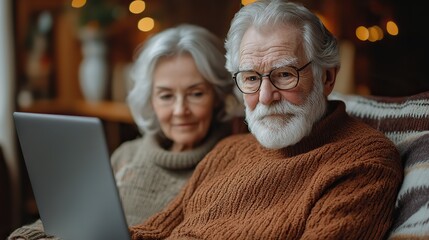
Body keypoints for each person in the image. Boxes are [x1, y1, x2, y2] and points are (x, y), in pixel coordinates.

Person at [129, 1, 403, 239]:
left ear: (327, 77)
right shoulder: (228, 150)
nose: (265, 96)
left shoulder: (363, 162)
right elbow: (152, 231)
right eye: (250, 78)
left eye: (284, 74)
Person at [8, 24, 241, 240]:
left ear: (218, 97)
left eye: (196, 93)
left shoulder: (227, 166)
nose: (180, 110)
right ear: (150, 100)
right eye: (166, 96)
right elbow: (69, 218)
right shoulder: (126, 155)